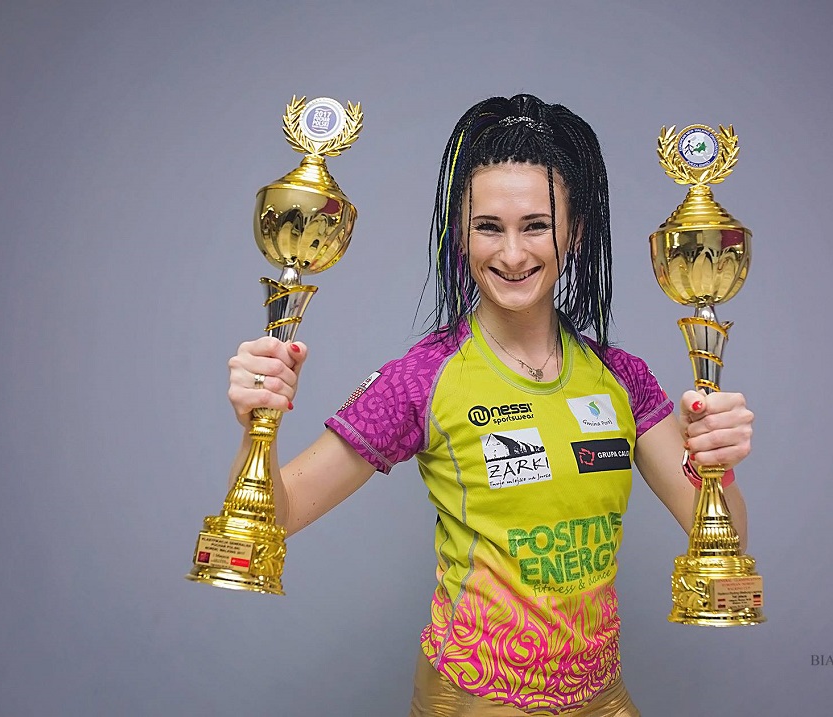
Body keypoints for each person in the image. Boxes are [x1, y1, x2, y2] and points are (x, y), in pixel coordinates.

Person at [226, 94, 754, 716]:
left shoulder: (622, 379)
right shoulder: (421, 379)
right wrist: (255, 425)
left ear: (575, 233)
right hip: (476, 700)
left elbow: (722, 539)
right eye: (488, 227)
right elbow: (275, 517)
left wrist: (718, 462)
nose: (512, 254)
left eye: (536, 226)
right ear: (460, 234)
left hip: (601, 697)